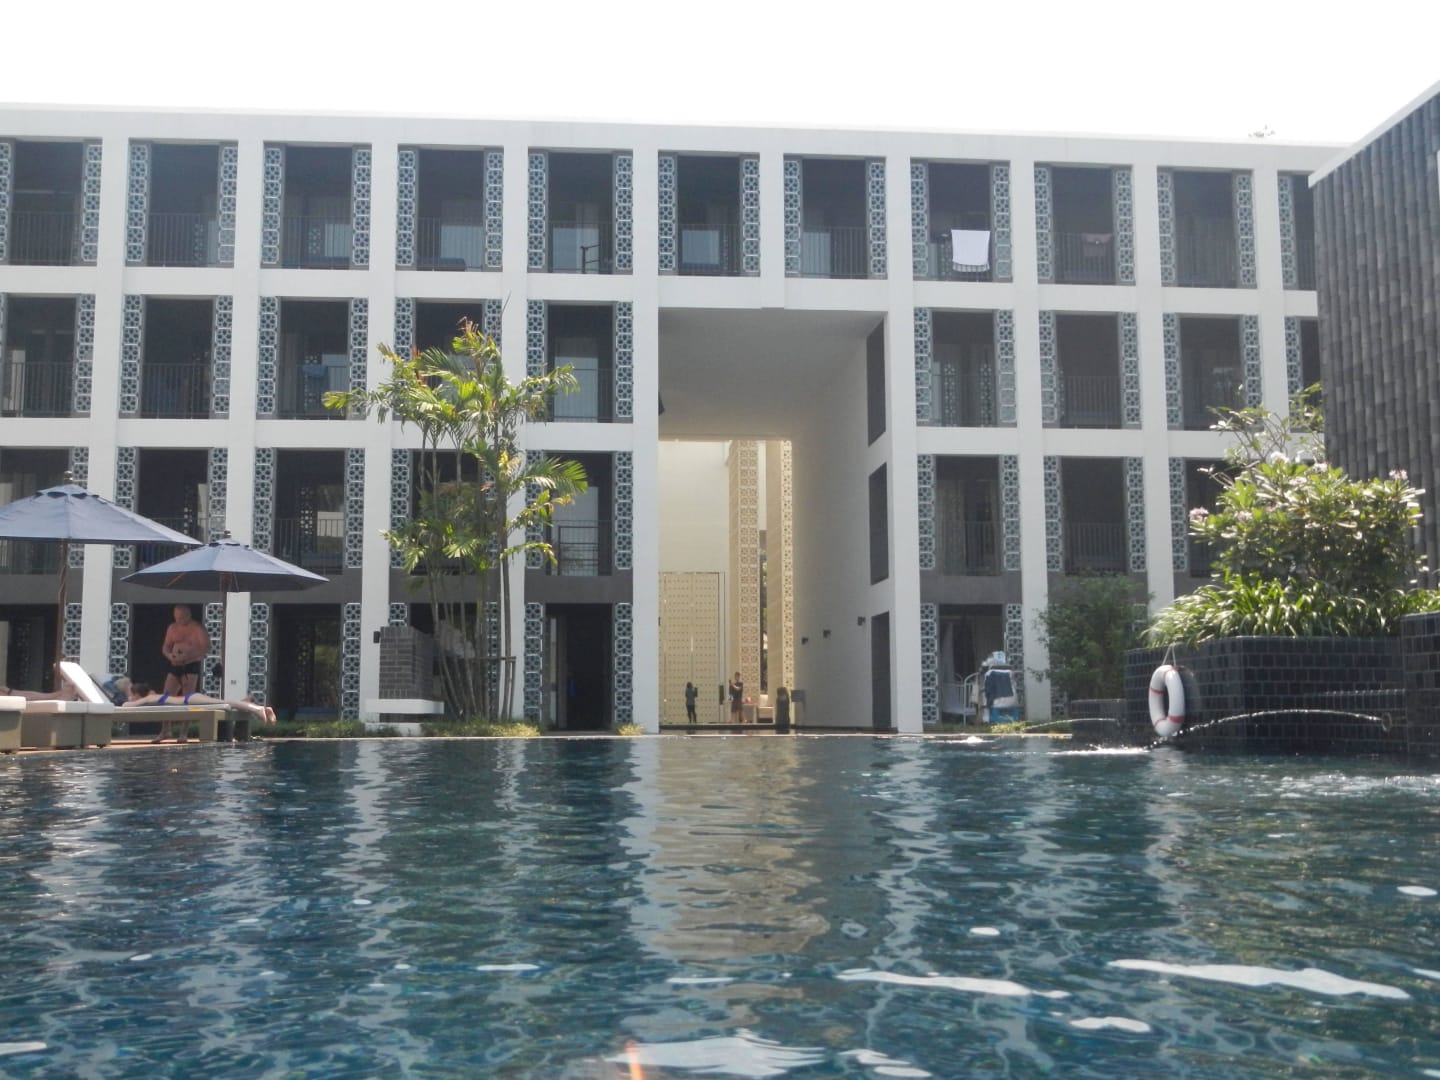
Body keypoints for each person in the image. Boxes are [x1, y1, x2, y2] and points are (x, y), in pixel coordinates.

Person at [123, 680, 277, 742]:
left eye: (132, 695)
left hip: (189, 699)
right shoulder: (154, 698)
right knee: (224, 703)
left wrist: (127, 697)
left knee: (225, 703)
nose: (131, 697)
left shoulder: (149, 698)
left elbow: (127, 706)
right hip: (189, 699)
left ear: (137, 694)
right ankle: (247, 703)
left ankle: (258, 709)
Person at [162, 605, 210, 698]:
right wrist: (169, 655)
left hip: (190, 665)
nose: (179, 620)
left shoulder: (197, 628)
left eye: (181, 618)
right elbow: (166, 646)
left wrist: (188, 656)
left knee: (188, 695)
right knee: (166, 695)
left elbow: (206, 648)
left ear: (188, 615)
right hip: (175, 664)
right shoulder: (172, 628)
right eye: (177, 618)